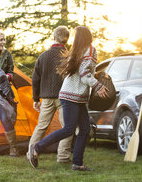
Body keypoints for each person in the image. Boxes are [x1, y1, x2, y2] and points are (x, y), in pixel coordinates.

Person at [28, 26, 108, 171]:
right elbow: (84, 74)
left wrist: (98, 75)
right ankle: (38, 147)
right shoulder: (90, 49)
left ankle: (77, 163)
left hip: (74, 96)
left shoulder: (77, 50)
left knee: (84, 129)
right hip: (72, 96)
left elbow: (81, 72)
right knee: (69, 129)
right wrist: (98, 86)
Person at [28, 26, 73, 163]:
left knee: (41, 126)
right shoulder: (69, 56)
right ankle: (63, 156)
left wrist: (36, 98)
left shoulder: (43, 56)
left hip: (46, 98)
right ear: (67, 39)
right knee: (67, 127)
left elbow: (35, 79)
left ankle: (31, 152)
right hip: (64, 98)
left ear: (54, 37)